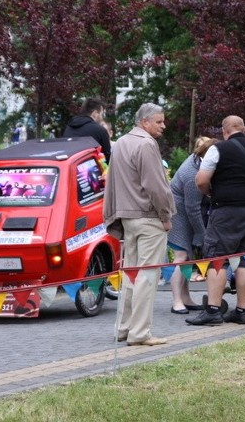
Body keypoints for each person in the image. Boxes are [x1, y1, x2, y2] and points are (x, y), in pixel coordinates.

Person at [188, 115, 245, 326]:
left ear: (224, 131)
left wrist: (210, 193)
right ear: (243, 129)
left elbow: (201, 180)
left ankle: (213, 311)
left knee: (218, 257)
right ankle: (241, 311)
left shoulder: (218, 150)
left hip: (228, 210)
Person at [104, 103, 174, 346]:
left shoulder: (122, 142)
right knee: (147, 276)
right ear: (144, 122)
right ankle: (140, 333)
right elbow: (156, 186)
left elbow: (112, 182)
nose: (163, 126)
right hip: (148, 217)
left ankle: (124, 328)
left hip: (127, 217)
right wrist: (166, 216)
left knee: (131, 274)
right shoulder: (146, 144)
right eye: (159, 121)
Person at [167, 137, 208, 314]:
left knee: (187, 256)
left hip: (182, 211)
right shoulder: (192, 174)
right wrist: (202, 234)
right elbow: (193, 209)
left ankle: (186, 297)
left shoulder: (196, 162)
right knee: (181, 255)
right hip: (178, 213)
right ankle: (177, 301)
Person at [63, 98, 112, 163]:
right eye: (101, 114)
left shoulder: (69, 127)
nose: (102, 117)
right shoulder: (99, 130)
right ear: (95, 113)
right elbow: (108, 159)